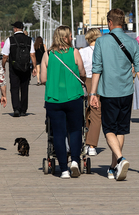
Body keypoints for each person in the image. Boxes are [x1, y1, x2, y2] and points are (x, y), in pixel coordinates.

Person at [88, 9, 139, 182]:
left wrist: (93, 93)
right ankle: (113, 167)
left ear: (110, 22)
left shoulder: (101, 42)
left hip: (108, 92)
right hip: (126, 92)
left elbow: (96, 69)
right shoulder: (132, 43)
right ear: (122, 23)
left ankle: (121, 159)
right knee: (120, 130)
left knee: (109, 130)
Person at [41, 25, 86, 179]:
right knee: (75, 130)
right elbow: (82, 72)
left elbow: (43, 79)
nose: (72, 38)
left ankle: (64, 170)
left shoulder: (48, 54)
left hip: (54, 98)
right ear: (65, 37)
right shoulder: (74, 52)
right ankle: (75, 161)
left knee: (58, 133)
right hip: (74, 96)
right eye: (70, 36)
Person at [0, 21, 37, 117]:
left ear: (15, 29)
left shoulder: (10, 40)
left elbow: (5, 56)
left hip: (14, 68)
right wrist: (34, 67)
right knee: (24, 88)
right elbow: (32, 55)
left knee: (14, 88)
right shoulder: (29, 40)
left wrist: (3, 66)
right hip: (26, 67)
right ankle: (23, 110)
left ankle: (16, 109)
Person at [79, 28, 102, 156]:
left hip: (85, 81)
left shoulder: (82, 52)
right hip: (99, 81)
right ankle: (92, 145)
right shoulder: (103, 51)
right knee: (96, 113)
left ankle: (87, 142)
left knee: (87, 112)